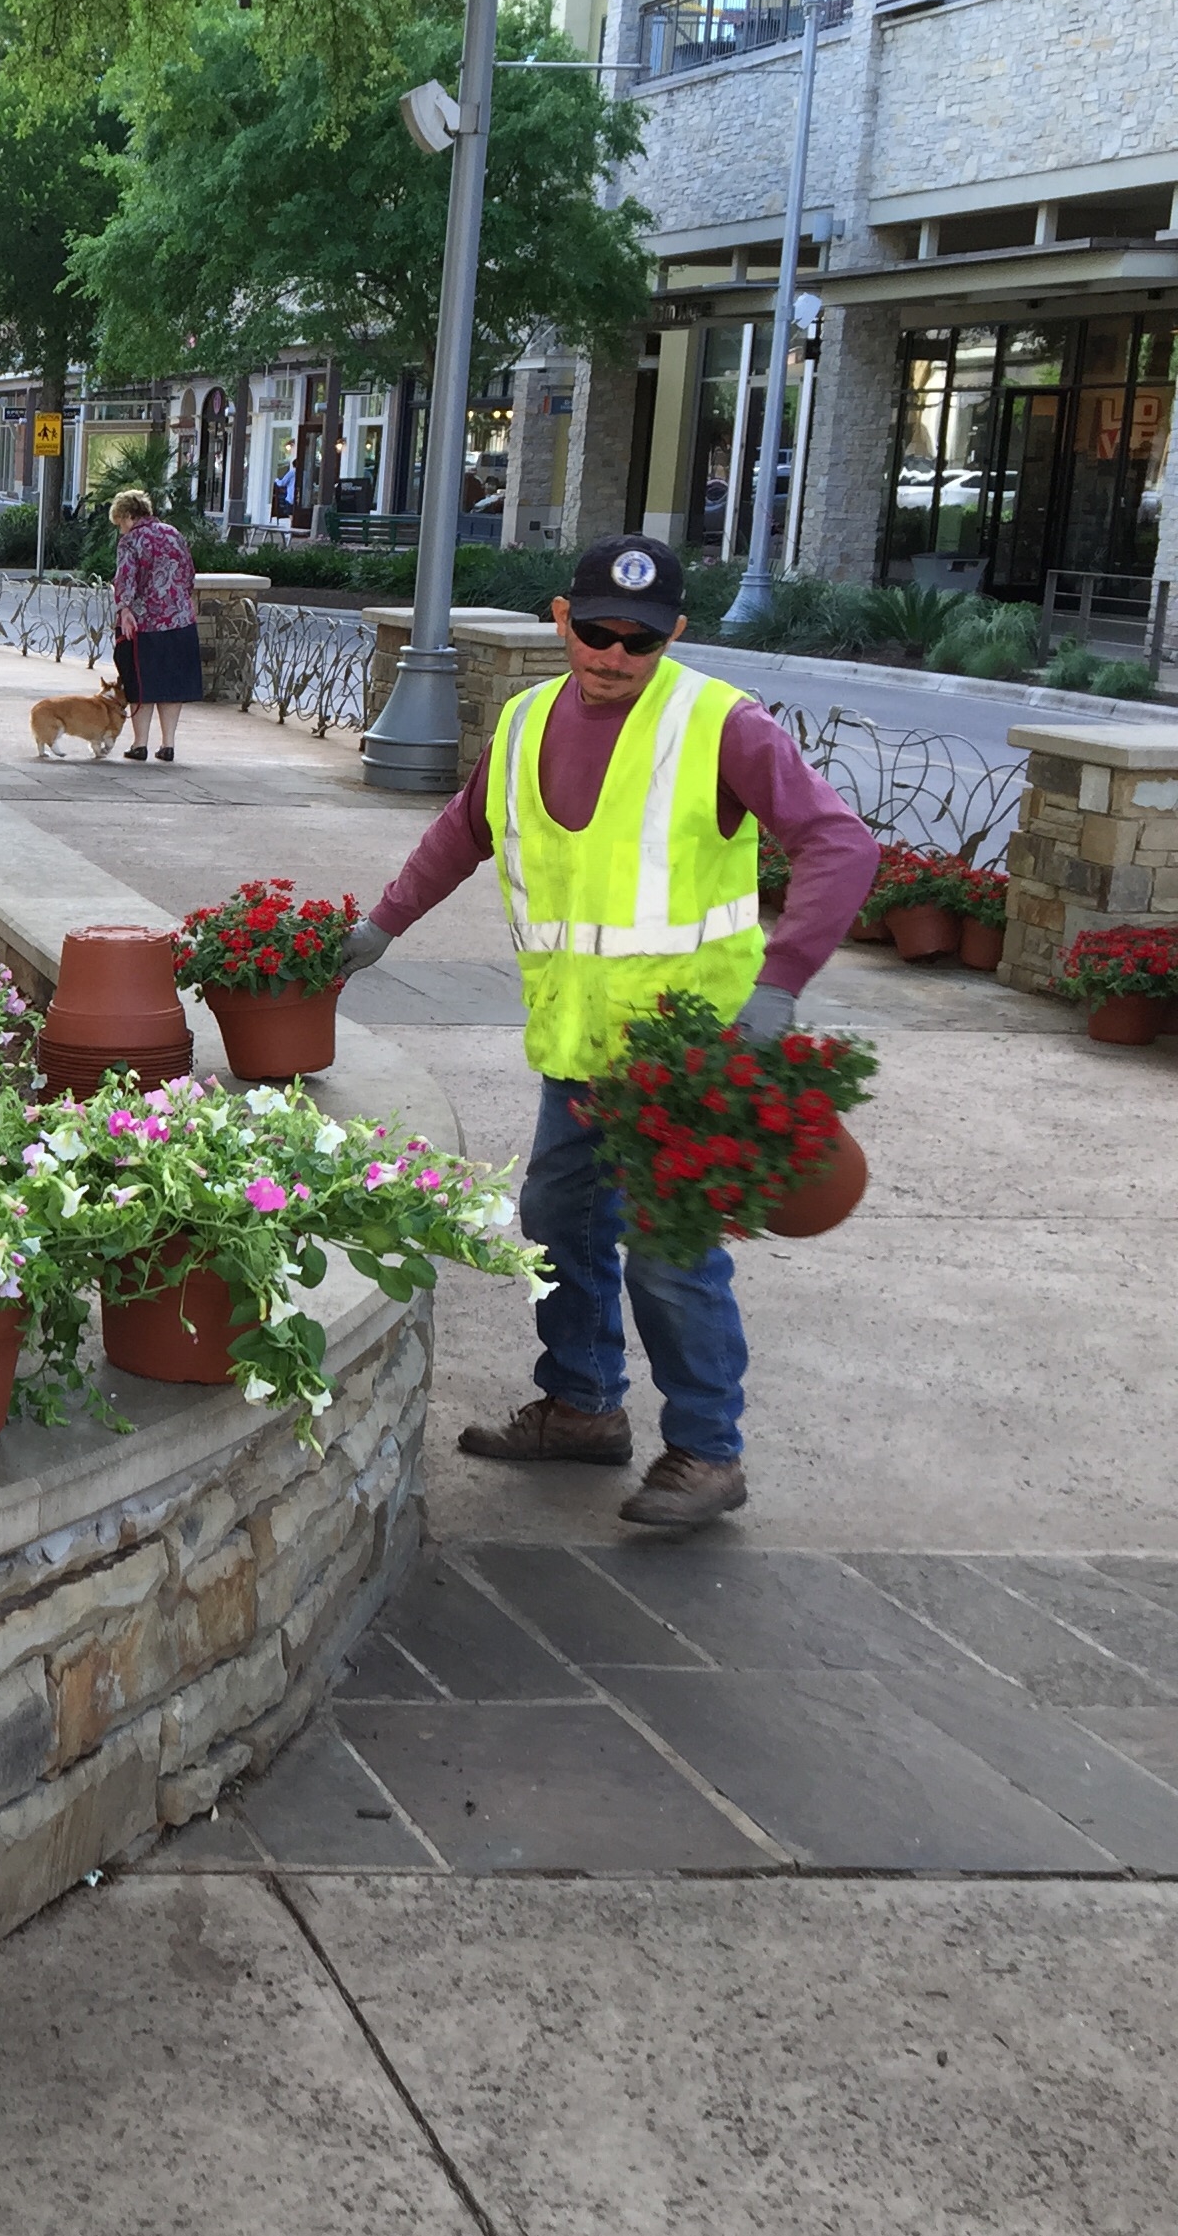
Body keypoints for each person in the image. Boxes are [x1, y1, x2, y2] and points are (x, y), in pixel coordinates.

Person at [339, 535, 877, 1530]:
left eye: (638, 638)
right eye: (595, 631)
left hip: (688, 1062)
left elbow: (840, 844)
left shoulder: (720, 726)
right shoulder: (526, 718)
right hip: (577, 1049)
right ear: (560, 617)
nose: (613, 654)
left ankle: (709, 1453)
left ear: (673, 632)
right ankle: (583, 1405)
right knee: (558, 1226)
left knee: (671, 1260)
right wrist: (383, 925)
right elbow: (466, 827)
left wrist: (782, 983)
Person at [107, 488, 201, 765]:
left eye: (119, 523)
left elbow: (125, 578)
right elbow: (188, 574)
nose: (120, 529)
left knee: (142, 682)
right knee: (172, 684)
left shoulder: (131, 540)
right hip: (180, 620)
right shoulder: (174, 533)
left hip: (144, 623)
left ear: (127, 516)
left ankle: (140, 744)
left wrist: (124, 609)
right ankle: (168, 745)